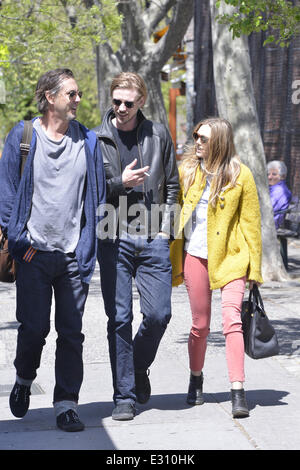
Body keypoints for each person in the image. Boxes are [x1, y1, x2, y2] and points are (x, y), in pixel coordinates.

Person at [0, 68, 106, 432]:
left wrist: (88, 245)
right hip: (33, 254)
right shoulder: (24, 136)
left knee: (72, 333)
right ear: (50, 97)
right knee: (34, 328)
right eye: (71, 94)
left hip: (73, 257)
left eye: (78, 94)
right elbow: (6, 193)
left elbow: (97, 194)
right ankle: (24, 378)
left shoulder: (87, 140)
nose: (78, 100)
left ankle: (66, 404)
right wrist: (19, 243)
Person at [93, 72, 179, 421]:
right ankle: (123, 395)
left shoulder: (158, 134)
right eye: (117, 101)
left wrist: (167, 232)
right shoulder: (95, 138)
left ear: (141, 101)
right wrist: (119, 182)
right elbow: (92, 189)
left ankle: (138, 366)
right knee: (120, 318)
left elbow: (172, 184)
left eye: (129, 102)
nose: (122, 108)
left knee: (160, 314)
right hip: (112, 234)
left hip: (152, 235)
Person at [170, 117, 263, 418]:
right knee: (200, 325)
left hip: (232, 257)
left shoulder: (241, 175)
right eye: (196, 135)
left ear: (219, 142)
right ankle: (195, 378)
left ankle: (238, 390)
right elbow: (173, 210)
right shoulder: (187, 172)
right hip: (195, 256)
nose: (197, 141)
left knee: (232, 321)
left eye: (204, 138)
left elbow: (251, 223)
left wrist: (256, 271)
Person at [267, 160, 292, 229]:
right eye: (268, 174)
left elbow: (266, 209)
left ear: (283, 176)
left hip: (268, 227)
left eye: (274, 174)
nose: (269, 177)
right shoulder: (273, 188)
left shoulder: (280, 191)